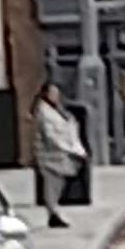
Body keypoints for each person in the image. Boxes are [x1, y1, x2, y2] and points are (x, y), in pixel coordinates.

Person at [32, 82, 87, 228]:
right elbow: (51, 136)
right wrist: (69, 148)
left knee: (57, 184)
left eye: (56, 93)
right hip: (50, 156)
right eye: (52, 93)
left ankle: (54, 213)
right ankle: (53, 214)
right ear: (45, 94)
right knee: (52, 185)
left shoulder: (55, 109)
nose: (55, 96)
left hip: (59, 155)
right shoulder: (43, 111)